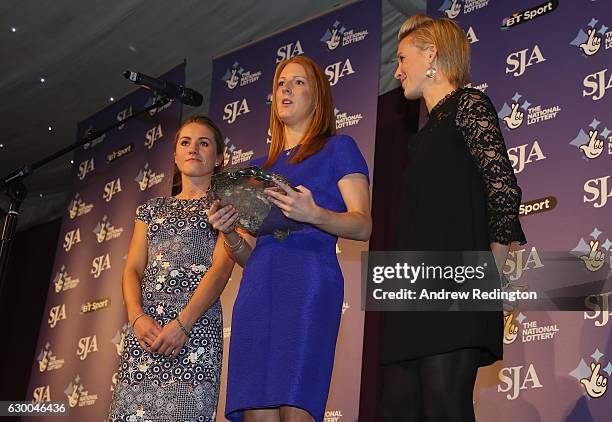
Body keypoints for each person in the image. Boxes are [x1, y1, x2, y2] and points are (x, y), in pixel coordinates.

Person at [208, 55, 372, 422]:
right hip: (256, 291)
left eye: (298, 82)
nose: (285, 88)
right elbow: (255, 253)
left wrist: (314, 214)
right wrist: (230, 232)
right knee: (256, 414)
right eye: (281, 83)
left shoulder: (338, 148)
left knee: (295, 409)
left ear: (318, 97)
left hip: (308, 285)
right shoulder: (262, 170)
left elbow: (363, 225)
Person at [380, 15, 527, 422]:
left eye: (402, 57)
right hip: (410, 290)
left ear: (431, 55)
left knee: (444, 402)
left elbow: (502, 188)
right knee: (397, 407)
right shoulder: (422, 136)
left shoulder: (469, 104)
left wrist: (485, 282)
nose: (397, 70)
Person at [108, 115, 235, 422]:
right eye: (185, 142)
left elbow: (220, 271)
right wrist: (136, 317)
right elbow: (133, 270)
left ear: (218, 158)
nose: (194, 149)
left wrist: (182, 325)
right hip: (145, 332)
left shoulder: (226, 205)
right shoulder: (150, 209)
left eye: (204, 143)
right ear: (175, 156)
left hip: (194, 330)